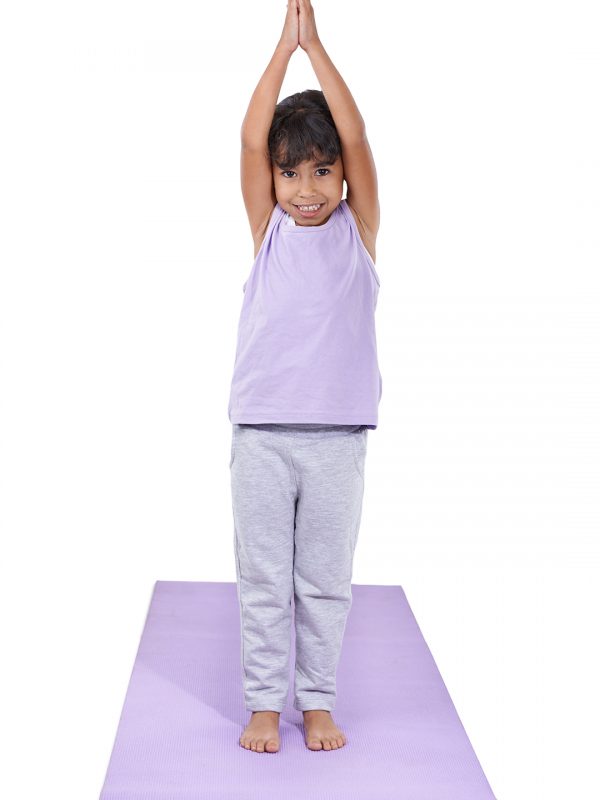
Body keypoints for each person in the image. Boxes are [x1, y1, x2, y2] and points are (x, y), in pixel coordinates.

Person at [228, 0, 382, 754]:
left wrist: (317, 50)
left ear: (346, 175)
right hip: (261, 435)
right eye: (292, 173)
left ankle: (315, 701)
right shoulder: (268, 231)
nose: (308, 187)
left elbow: (353, 132)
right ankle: (264, 702)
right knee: (263, 579)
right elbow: (254, 135)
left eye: (323, 170)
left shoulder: (360, 230)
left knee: (323, 580)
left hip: (337, 441)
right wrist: (281, 49)